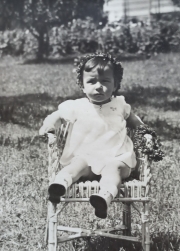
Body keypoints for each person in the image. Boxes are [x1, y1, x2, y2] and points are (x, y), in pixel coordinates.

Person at [39, 52, 144, 219]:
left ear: (115, 85)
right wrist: (49, 125)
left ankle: (103, 198)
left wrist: (147, 134)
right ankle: (59, 185)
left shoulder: (120, 105)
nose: (98, 86)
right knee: (76, 165)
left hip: (117, 157)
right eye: (92, 81)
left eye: (105, 81)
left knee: (113, 170)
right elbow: (57, 116)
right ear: (82, 85)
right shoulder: (76, 106)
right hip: (86, 158)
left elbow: (137, 123)